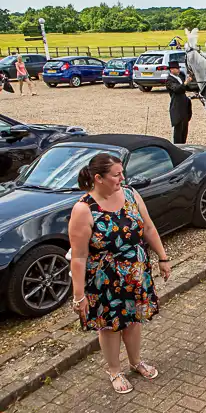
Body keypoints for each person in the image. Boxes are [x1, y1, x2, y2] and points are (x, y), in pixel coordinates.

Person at [68, 153, 171, 394]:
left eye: (122, 172)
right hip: (105, 281)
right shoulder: (84, 209)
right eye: (116, 174)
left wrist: (162, 257)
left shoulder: (130, 194)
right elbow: (79, 256)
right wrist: (79, 294)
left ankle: (136, 362)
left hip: (136, 273)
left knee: (133, 321)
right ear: (98, 178)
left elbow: (148, 227)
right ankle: (114, 370)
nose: (122, 178)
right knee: (110, 327)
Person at [166, 61, 192, 144]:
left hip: (184, 106)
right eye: (176, 68)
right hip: (176, 106)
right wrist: (185, 83)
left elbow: (185, 88)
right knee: (177, 131)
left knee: (184, 130)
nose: (178, 70)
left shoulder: (180, 77)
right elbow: (177, 89)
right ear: (171, 69)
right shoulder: (169, 80)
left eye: (178, 68)